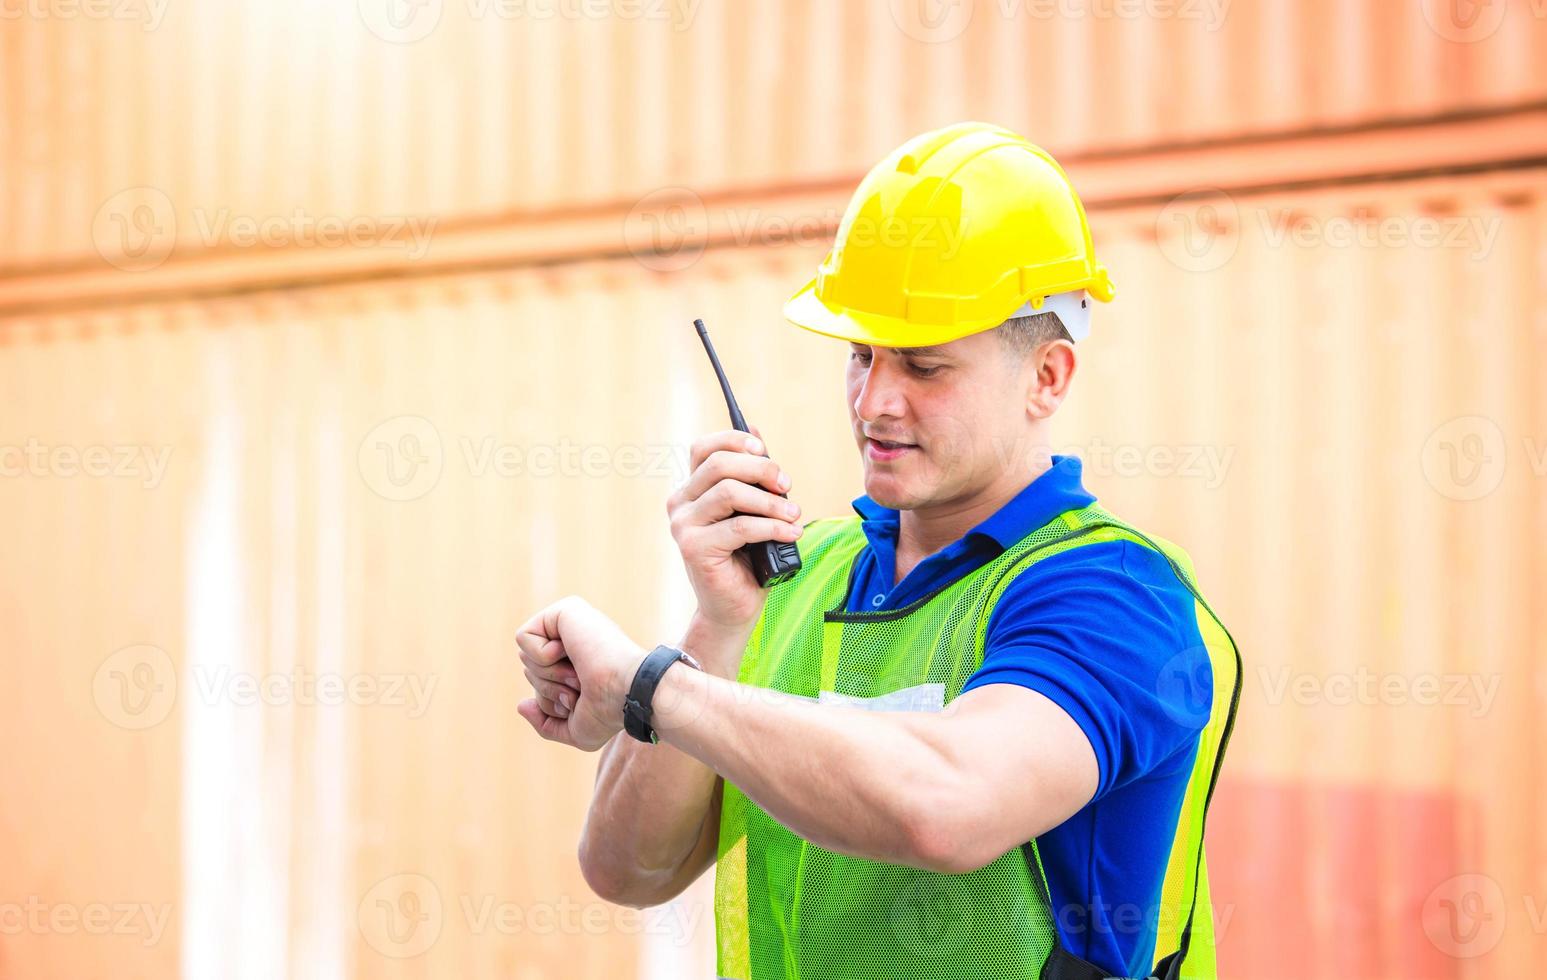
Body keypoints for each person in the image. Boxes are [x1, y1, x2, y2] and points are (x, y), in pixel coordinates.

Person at [516, 122, 1241, 980]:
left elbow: (948, 805)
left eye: (923, 367)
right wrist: (715, 625)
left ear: (1046, 377)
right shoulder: (792, 577)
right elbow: (628, 869)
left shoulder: (1112, 595)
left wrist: (649, 688)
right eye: (860, 355)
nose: (874, 402)